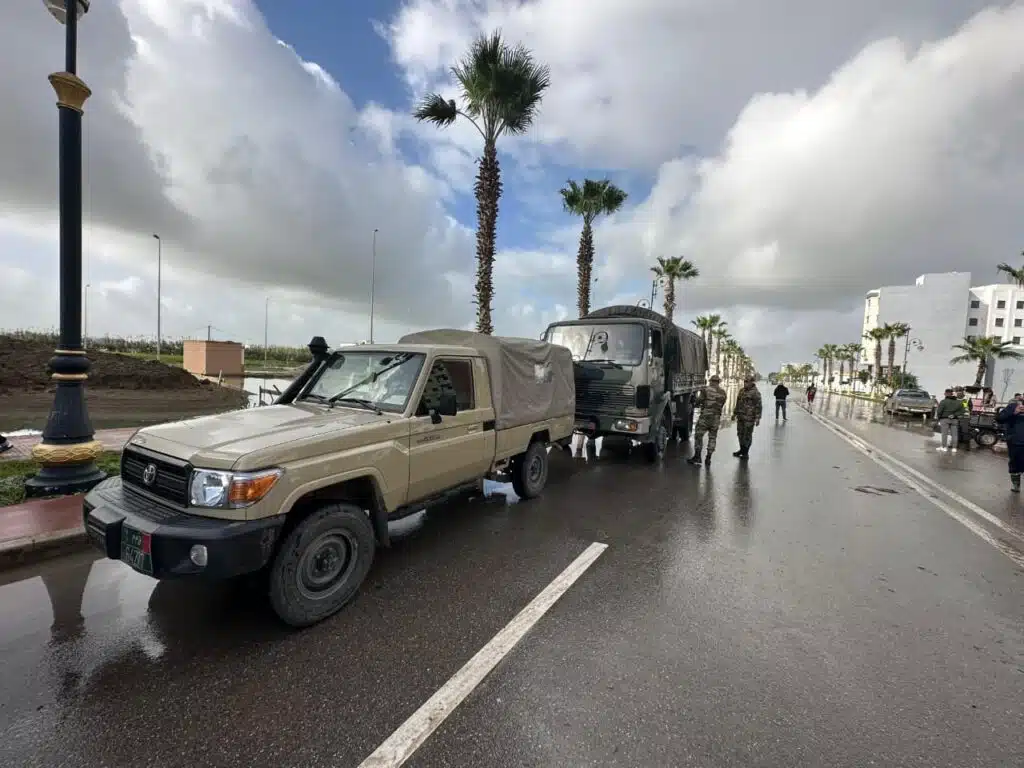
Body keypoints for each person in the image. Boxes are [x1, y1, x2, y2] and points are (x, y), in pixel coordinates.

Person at [687, 375, 727, 466]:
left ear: (712, 381)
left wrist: (695, 403)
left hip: (705, 417)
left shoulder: (706, 390)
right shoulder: (723, 393)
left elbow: (698, 401)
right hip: (716, 419)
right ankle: (708, 458)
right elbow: (721, 404)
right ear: (718, 382)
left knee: (698, 435)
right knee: (712, 438)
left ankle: (697, 457)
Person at [996, 398, 1024, 492]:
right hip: (1016, 441)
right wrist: (1014, 412)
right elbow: (1000, 419)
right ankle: (1016, 484)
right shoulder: (1013, 406)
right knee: (1015, 464)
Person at [733, 376, 763, 459]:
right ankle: (741, 450)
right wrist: (734, 413)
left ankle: (746, 453)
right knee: (740, 434)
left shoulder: (755, 393)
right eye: (744, 381)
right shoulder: (741, 391)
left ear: (752, 382)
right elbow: (738, 403)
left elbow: (759, 406)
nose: (745, 383)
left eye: (747, 381)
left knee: (747, 435)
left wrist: (757, 418)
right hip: (740, 417)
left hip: (749, 418)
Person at [934, 388, 966, 452]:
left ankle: (944, 447)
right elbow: (963, 411)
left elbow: (939, 411)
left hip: (944, 419)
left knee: (944, 434)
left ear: (946, 394)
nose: (944, 394)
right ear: (952, 394)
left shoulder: (943, 401)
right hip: (955, 420)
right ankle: (954, 448)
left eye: (945, 393)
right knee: (954, 434)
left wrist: (938, 419)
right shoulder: (959, 402)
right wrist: (954, 415)